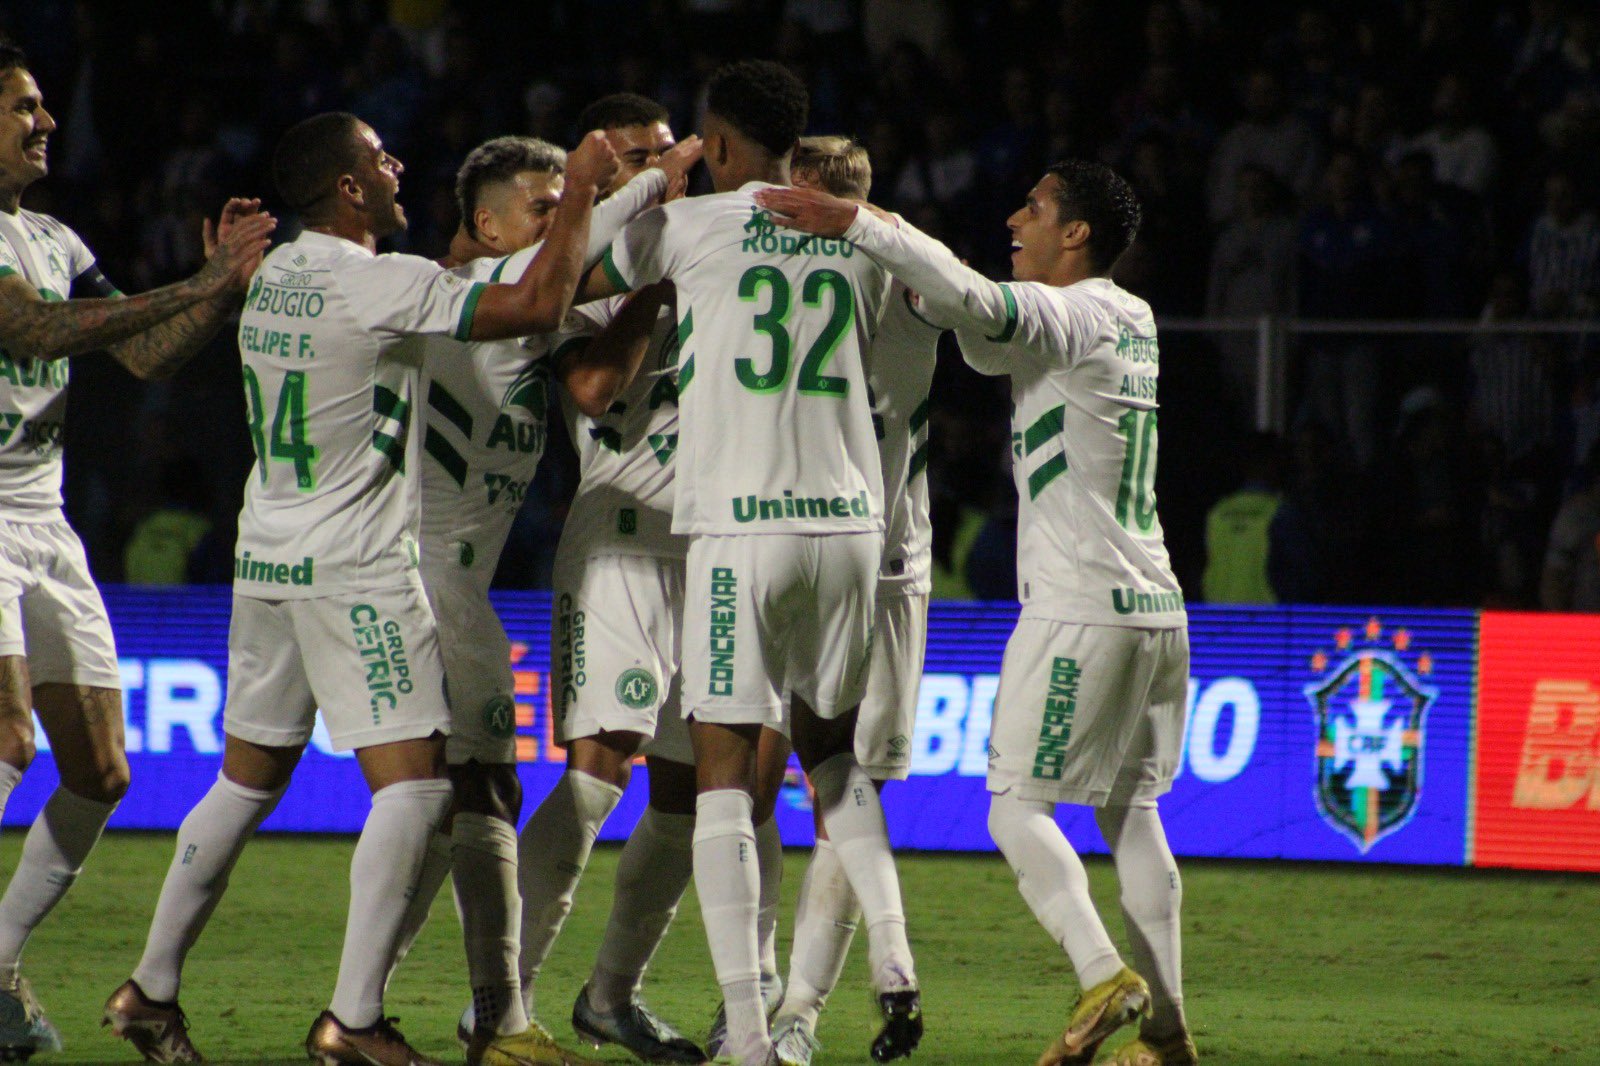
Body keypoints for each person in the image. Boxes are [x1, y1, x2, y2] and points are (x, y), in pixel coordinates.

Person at [104, 111, 618, 1066]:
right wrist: (584, 188)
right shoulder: (377, 284)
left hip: (266, 554)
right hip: (354, 565)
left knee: (244, 782)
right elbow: (539, 309)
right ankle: (353, 1021)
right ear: (348, 187)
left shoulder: (267, 280)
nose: (396, 168)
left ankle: (150, 987)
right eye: (380, 159)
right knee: (420, 788)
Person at [757, 159, 1197, 1065]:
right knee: (1132, 814)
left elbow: (978, 303)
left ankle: (1104, 974)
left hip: (1081, 606)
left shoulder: (1071, 311)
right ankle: (1169, 1037)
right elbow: (983, 335)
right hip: (1157, 606)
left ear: (1075, 235)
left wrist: (863, 226)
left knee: (1013, 813)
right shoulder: (1130, 318)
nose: (1014, 217)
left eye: (1033, 207)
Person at [582, 61, 921, 1066]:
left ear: (717, 143)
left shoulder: (689, 228)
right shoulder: (866, 239)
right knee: (828, 756)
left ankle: (748, 1028)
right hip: (857, 531)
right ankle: (891, 964)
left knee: (723, 774)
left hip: (740, 528)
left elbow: (568, 276)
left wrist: (653, 179)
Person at [392, 129, 699, 1066]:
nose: (563, 214)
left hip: (452, 578)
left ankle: (458, 1014)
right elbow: (597, 366)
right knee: (438, 799)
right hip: (418, 573)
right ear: (485, 226)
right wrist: (658, 198)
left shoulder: (518, 299)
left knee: (434, 800)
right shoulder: (482, 297)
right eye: (544, 203)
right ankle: (473, 1015)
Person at [0, 42, 274, 1058]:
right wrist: (194, 279)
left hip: (44, 517)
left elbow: (145, 352)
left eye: (43, 106)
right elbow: (28, 331)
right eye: (25, 106)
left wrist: (224, 289)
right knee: (9, 738)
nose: (47, 122)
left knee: (104, 770)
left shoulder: (58, 238)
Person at [509, 93, 718, 1066]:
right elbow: (592, 386)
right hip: (622, 534)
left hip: (711, 543)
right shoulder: (576, 271)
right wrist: (663, 288)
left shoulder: (703, 246)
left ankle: (610, 998)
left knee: (688, 789)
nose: (665, 169)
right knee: (599, 770)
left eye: (670, 153)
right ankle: (500, 1004)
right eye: (641, 157)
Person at [766, 135, 945, 1066]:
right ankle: (799, 1005)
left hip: (787, 539)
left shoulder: (777, 276)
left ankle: (782, 1012)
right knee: (848, 782)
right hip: (892, 564)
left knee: (782, 775)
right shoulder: (914, 267)